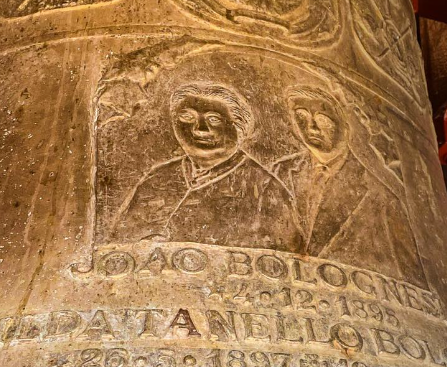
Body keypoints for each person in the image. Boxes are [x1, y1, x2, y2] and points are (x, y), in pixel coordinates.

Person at [111, 82, 303, 251]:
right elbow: (119, 239)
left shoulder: (264, 187)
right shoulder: (156, 178)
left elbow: (286, 255)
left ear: (238, 127)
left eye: (214, 119)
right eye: (187, 118)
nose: (200, 129)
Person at [273, 85, 426, 286]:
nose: (311, 128)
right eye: (301, 117)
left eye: (322, 119)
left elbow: (410, 275)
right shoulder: (279, 171)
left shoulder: (379, 195)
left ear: (344, 124)